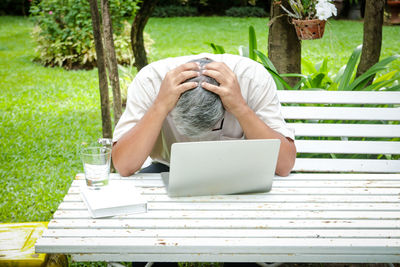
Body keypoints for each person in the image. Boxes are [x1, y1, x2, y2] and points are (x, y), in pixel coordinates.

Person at [112, 53, 296, 178]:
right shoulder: (150, 81)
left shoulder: (252, 78)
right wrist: (160, 106)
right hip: (169, 168)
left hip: (239, 170)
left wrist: (240, 107)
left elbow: (284, 164)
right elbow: (124, 165)